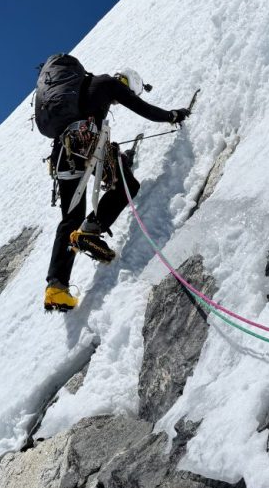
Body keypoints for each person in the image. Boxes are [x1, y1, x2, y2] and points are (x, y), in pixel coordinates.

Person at [44, 67, 190, 312]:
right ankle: (90, 232)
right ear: (127, 84)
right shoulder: (109, 84)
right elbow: (145, 109)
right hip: (84, 147)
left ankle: (56, 288)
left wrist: (122, 161)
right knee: (129, 186)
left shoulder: (86, 92)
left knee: (71, 218)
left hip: (63, 155)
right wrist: (173, 115)